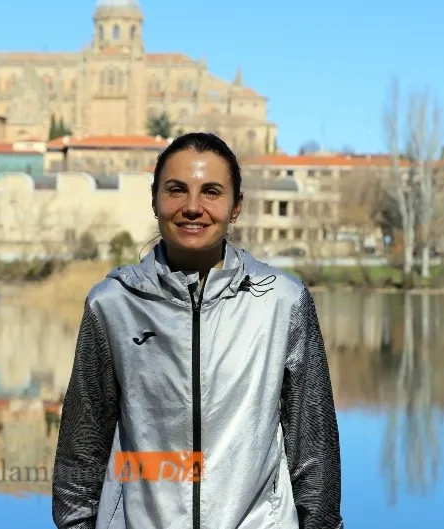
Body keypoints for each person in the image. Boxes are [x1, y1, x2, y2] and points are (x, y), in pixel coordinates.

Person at [51, 132, 344, 529]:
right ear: (154, 199)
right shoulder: (112, 304)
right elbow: (81, 452)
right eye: (176, 190)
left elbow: (314, 450)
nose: (192, 207)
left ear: (236, 206)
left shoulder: (282, 302)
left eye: (211, 192)